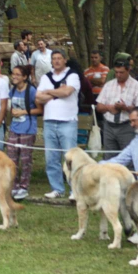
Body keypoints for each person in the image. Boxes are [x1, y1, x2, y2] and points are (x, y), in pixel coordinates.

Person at [36, 50, 80, 198]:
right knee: (51, 158)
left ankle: (75, 190)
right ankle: (57, 188)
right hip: (49, 121)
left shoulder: (73, 75)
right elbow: (38, 97)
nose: (56, 61)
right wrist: (57, 91)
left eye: (59, 58)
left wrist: (48, 92)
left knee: (70, 159)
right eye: (53, 58)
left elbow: (67, 92)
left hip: (67, 122)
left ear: (65, 60)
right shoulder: (46, 77)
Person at [96, 59, 138, 159]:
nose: (118, 75)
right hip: (109, 126)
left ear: (128, 70)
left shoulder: (137, 87)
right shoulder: (109, 85)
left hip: (127, 126)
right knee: (109, 159)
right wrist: (109, 108)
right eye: (116, 72)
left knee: (129, 158)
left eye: (121, 72)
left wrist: (125, 108)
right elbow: (99, 107)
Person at [7, 65, 43, 200]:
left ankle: (24, 186)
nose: (14, 76)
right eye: (13, 74)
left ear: (24, 77)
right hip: (14, 128)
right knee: (12, 158)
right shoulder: (13, 90)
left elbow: (40, 110)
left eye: (17, 74)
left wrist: (23, 112)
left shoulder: (32, 91)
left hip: (28, 129)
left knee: (25, 159)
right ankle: (14, 185)